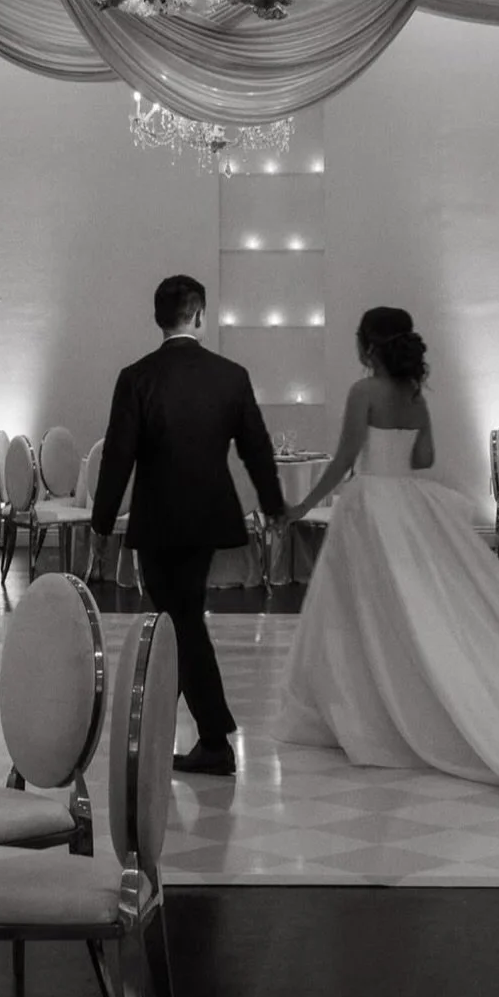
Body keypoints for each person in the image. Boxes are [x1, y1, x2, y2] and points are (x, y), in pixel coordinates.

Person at [274, 306, 499, 793]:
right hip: (409, 502)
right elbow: (426, 457)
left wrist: (303, 505)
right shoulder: (414, 395)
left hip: (368, 504)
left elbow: (345, 459)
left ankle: (363, 710)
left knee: (358, 612)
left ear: (367, 346)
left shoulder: (364, 391)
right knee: (415, 607)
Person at [92, 274, 285, 777]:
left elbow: (119, 453)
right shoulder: (230, 375)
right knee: (180, 615)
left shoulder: (137, 377)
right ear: (199, 315)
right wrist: (274, 506)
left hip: (158, 518)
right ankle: (173, 726)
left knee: (179, 618)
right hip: (208, 515)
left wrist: (102, 518)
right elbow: (256, 447)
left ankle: (211, 737)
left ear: (159, 318)